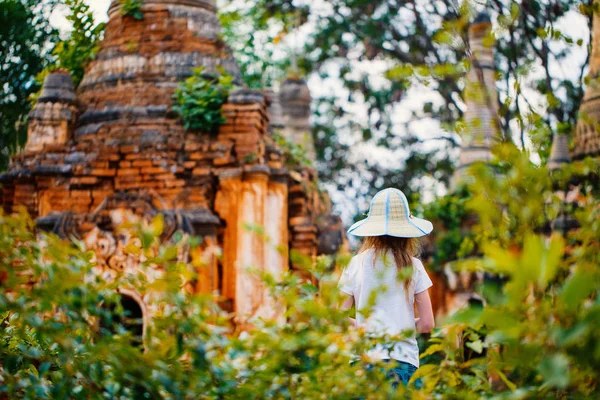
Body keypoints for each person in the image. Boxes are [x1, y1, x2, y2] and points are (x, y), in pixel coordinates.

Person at [338, 188, 435, 388]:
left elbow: (334, 317)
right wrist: (400, 327)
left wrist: (366, 327)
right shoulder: (414, 266)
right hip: (403, 364)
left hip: (363, 363)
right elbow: (427, 324)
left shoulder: (356, 263)